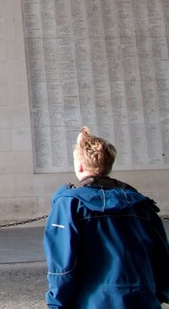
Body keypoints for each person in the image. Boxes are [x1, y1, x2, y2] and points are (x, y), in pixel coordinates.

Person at [43, 126, 168, 308]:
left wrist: (56, 302)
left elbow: (63, 264)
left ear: (79, 166)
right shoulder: (140, 204)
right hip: (142, 299)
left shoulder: (69, 204)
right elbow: (161, 254)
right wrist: (161, 292)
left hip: (93, 301)